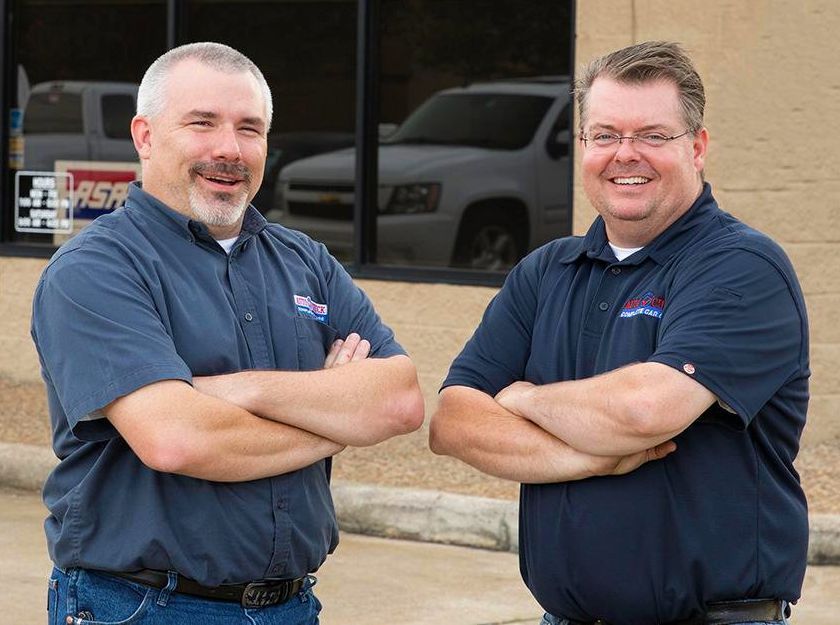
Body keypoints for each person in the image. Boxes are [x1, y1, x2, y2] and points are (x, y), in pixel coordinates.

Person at [32, 42, 424, 625]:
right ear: (144, 136)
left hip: (291, 605)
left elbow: (400, 400)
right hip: (142, 606)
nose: (229, 149)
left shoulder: (305, 261)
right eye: (202, 124)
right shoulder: (96, 269)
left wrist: (235, 391)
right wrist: (333, 421)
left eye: (250, 129)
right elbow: (177, 441)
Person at [430, 41, 808, 625]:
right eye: (604, 135)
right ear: (583, 146)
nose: (625, 155)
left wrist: (524, 398)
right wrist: (590, 460)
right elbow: (453, 422)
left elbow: (645, 412)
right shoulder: (544, 271)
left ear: (698, 147)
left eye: (654, 136)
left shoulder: (741, 266)